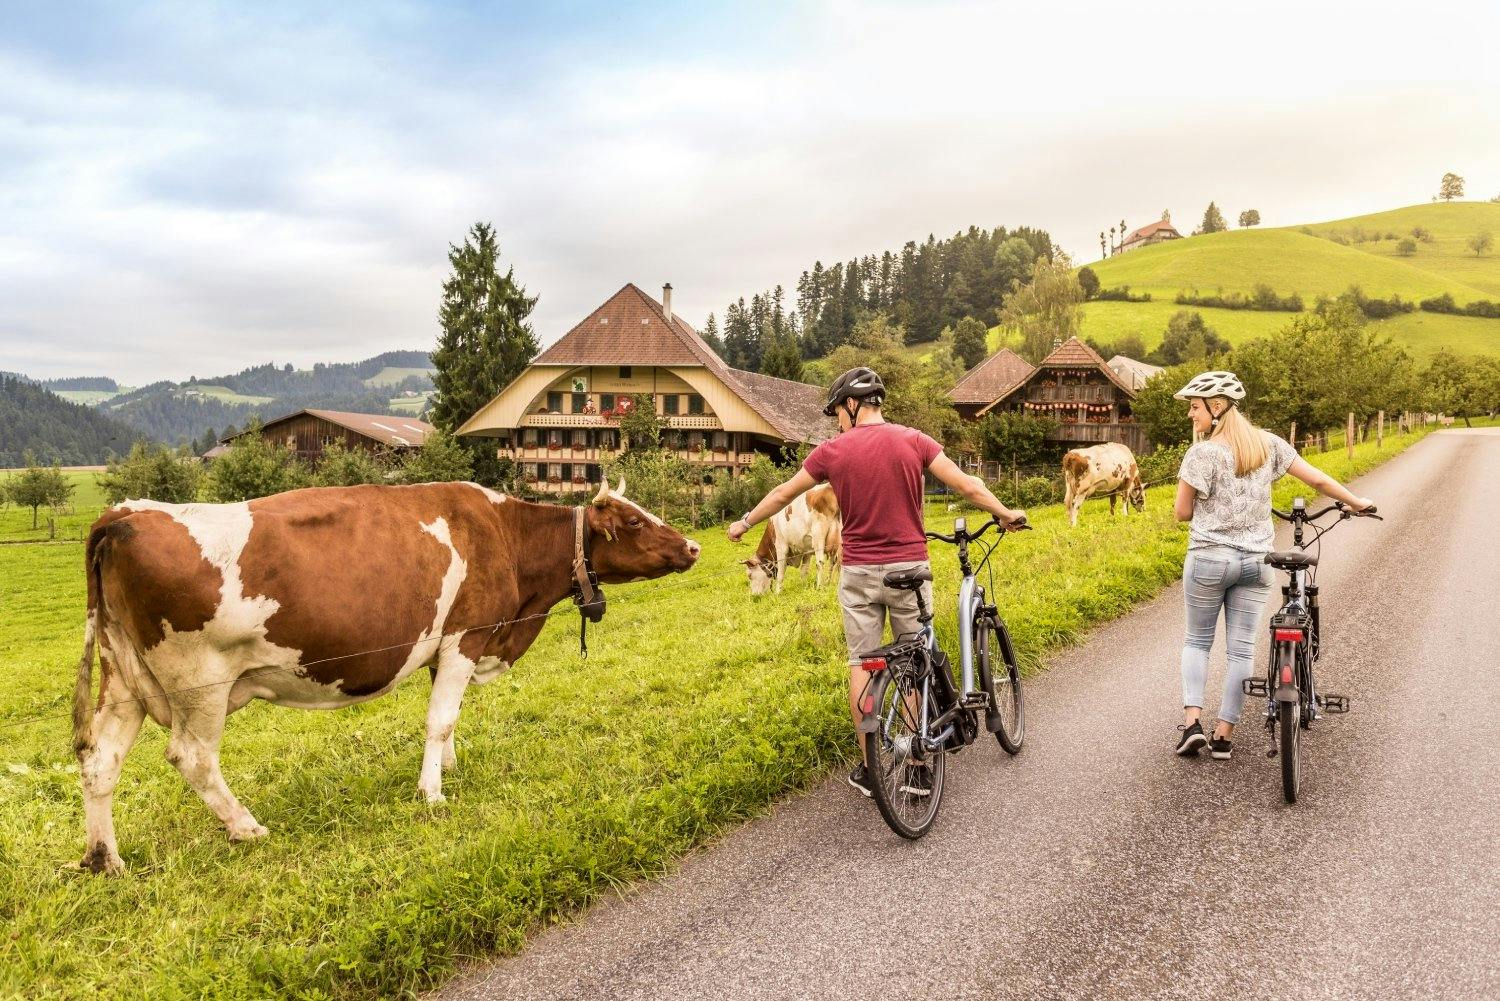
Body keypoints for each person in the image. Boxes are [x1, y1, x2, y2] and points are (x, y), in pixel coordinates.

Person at [727, 367, 1027, 796]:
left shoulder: (832, 452)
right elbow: (967, 485)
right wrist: (1003, 512)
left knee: (863, 663)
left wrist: (743, 522)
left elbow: (782, 494)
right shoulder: (915, 440)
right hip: (909, 569)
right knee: (915, 662)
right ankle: (919, 762)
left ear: (851, 405)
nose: (836, 422)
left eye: (837, 413)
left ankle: (870, 766)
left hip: (858, 574)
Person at [1171, 371, 1374, 760]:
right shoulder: (1268, 445)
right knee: (1241, 650)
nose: (1191, 416)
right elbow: (1315, 479)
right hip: (1256, 562)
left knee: (1198, 642)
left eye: (1195, 407)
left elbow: (1182, 512)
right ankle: (1224, 736)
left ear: (1217, 407)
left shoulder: (1202, 453)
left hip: (1209, 558)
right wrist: (1356, 501)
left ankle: (1192, 724)